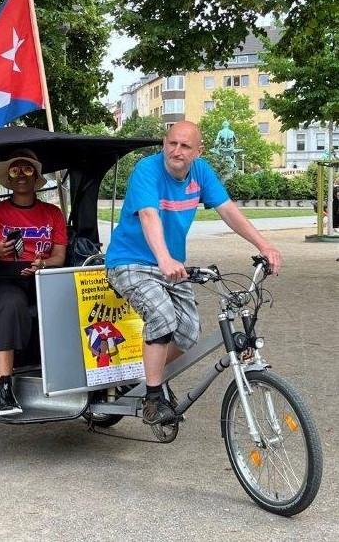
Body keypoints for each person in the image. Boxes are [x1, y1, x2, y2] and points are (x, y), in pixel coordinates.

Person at [105, 121, 282, 426]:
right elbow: (148, 215)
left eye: (185, 146)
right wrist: (162, 258)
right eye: (172, 143)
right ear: (164, 143)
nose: (176, 151)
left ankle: (142, 373)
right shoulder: (147, 170)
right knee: (162, 317)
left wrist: (265, 245)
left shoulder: (201, 173)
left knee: (188, 332)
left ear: (198, 151)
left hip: (169, 265)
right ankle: (152, 395)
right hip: (130, 261)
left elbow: (228, 211)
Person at [0, 149, 68, 415]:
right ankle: (4, 387)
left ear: (36, 176)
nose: (22, 176)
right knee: (12, 304)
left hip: (42, 274)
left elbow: (59, 256)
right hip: (3, 276)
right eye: (15, 171)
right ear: (8, 178)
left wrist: (42, 264)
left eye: (28, 170)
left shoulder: (52, 213)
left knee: (71, 302)